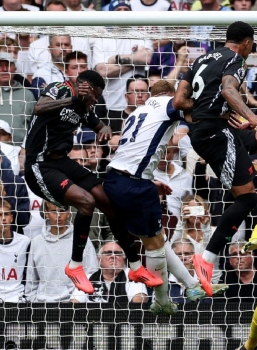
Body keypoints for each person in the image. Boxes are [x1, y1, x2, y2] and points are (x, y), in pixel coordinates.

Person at [23, 70, 156, 295]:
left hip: (62, 163)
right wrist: (74, 99)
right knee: (86, 202)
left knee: (108, 202)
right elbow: (39, 108)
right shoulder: (61, 89)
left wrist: (104, 129)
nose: (96, 101)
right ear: (87, 88)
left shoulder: (84, 107)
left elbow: (99, 125)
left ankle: (135, 266)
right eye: (95, 96)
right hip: (39, 165)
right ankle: (75, 266)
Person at [173, 21, 257, 297]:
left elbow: (179, 101)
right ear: (246, 42)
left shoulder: (201, 59)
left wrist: (217, 113)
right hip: (215, 133)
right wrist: (251, 116)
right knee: (247, 198)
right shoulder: (236, 59)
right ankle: (206, 259)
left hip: (214, 128)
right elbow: (228, 90)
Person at [103, 80, 222, 315]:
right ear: (170, 95)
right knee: (155, 245)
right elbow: (193, 112)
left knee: (156, 239)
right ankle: (161, 301)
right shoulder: (168, 104)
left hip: (116, 179)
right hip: (134, 185)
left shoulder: (138, 111)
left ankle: (191, 285)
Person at [24, 202, 98, 302]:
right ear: (46, 213)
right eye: (54, 211)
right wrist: (33, 302)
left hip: (73, 304)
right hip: (42, 304)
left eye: (62, 211)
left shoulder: (81, 239)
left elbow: (92, 272)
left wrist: (78, 298)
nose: (58, 216)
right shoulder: (37, 242)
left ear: (68, 213)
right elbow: (31, 279)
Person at [70, 242, 148, 304]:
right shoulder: (87, 278)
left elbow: (139, 299)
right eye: (108, 253)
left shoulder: (133, 275)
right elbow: (75, 302)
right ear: (99, 259)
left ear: (123, 259)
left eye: (117, 253)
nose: (113, 256)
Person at [0, 199, 30, 303]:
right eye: (0, 215)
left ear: (11, 218)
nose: (3, 219)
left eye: (6, 214)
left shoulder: (24, 242)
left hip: (18, 299)